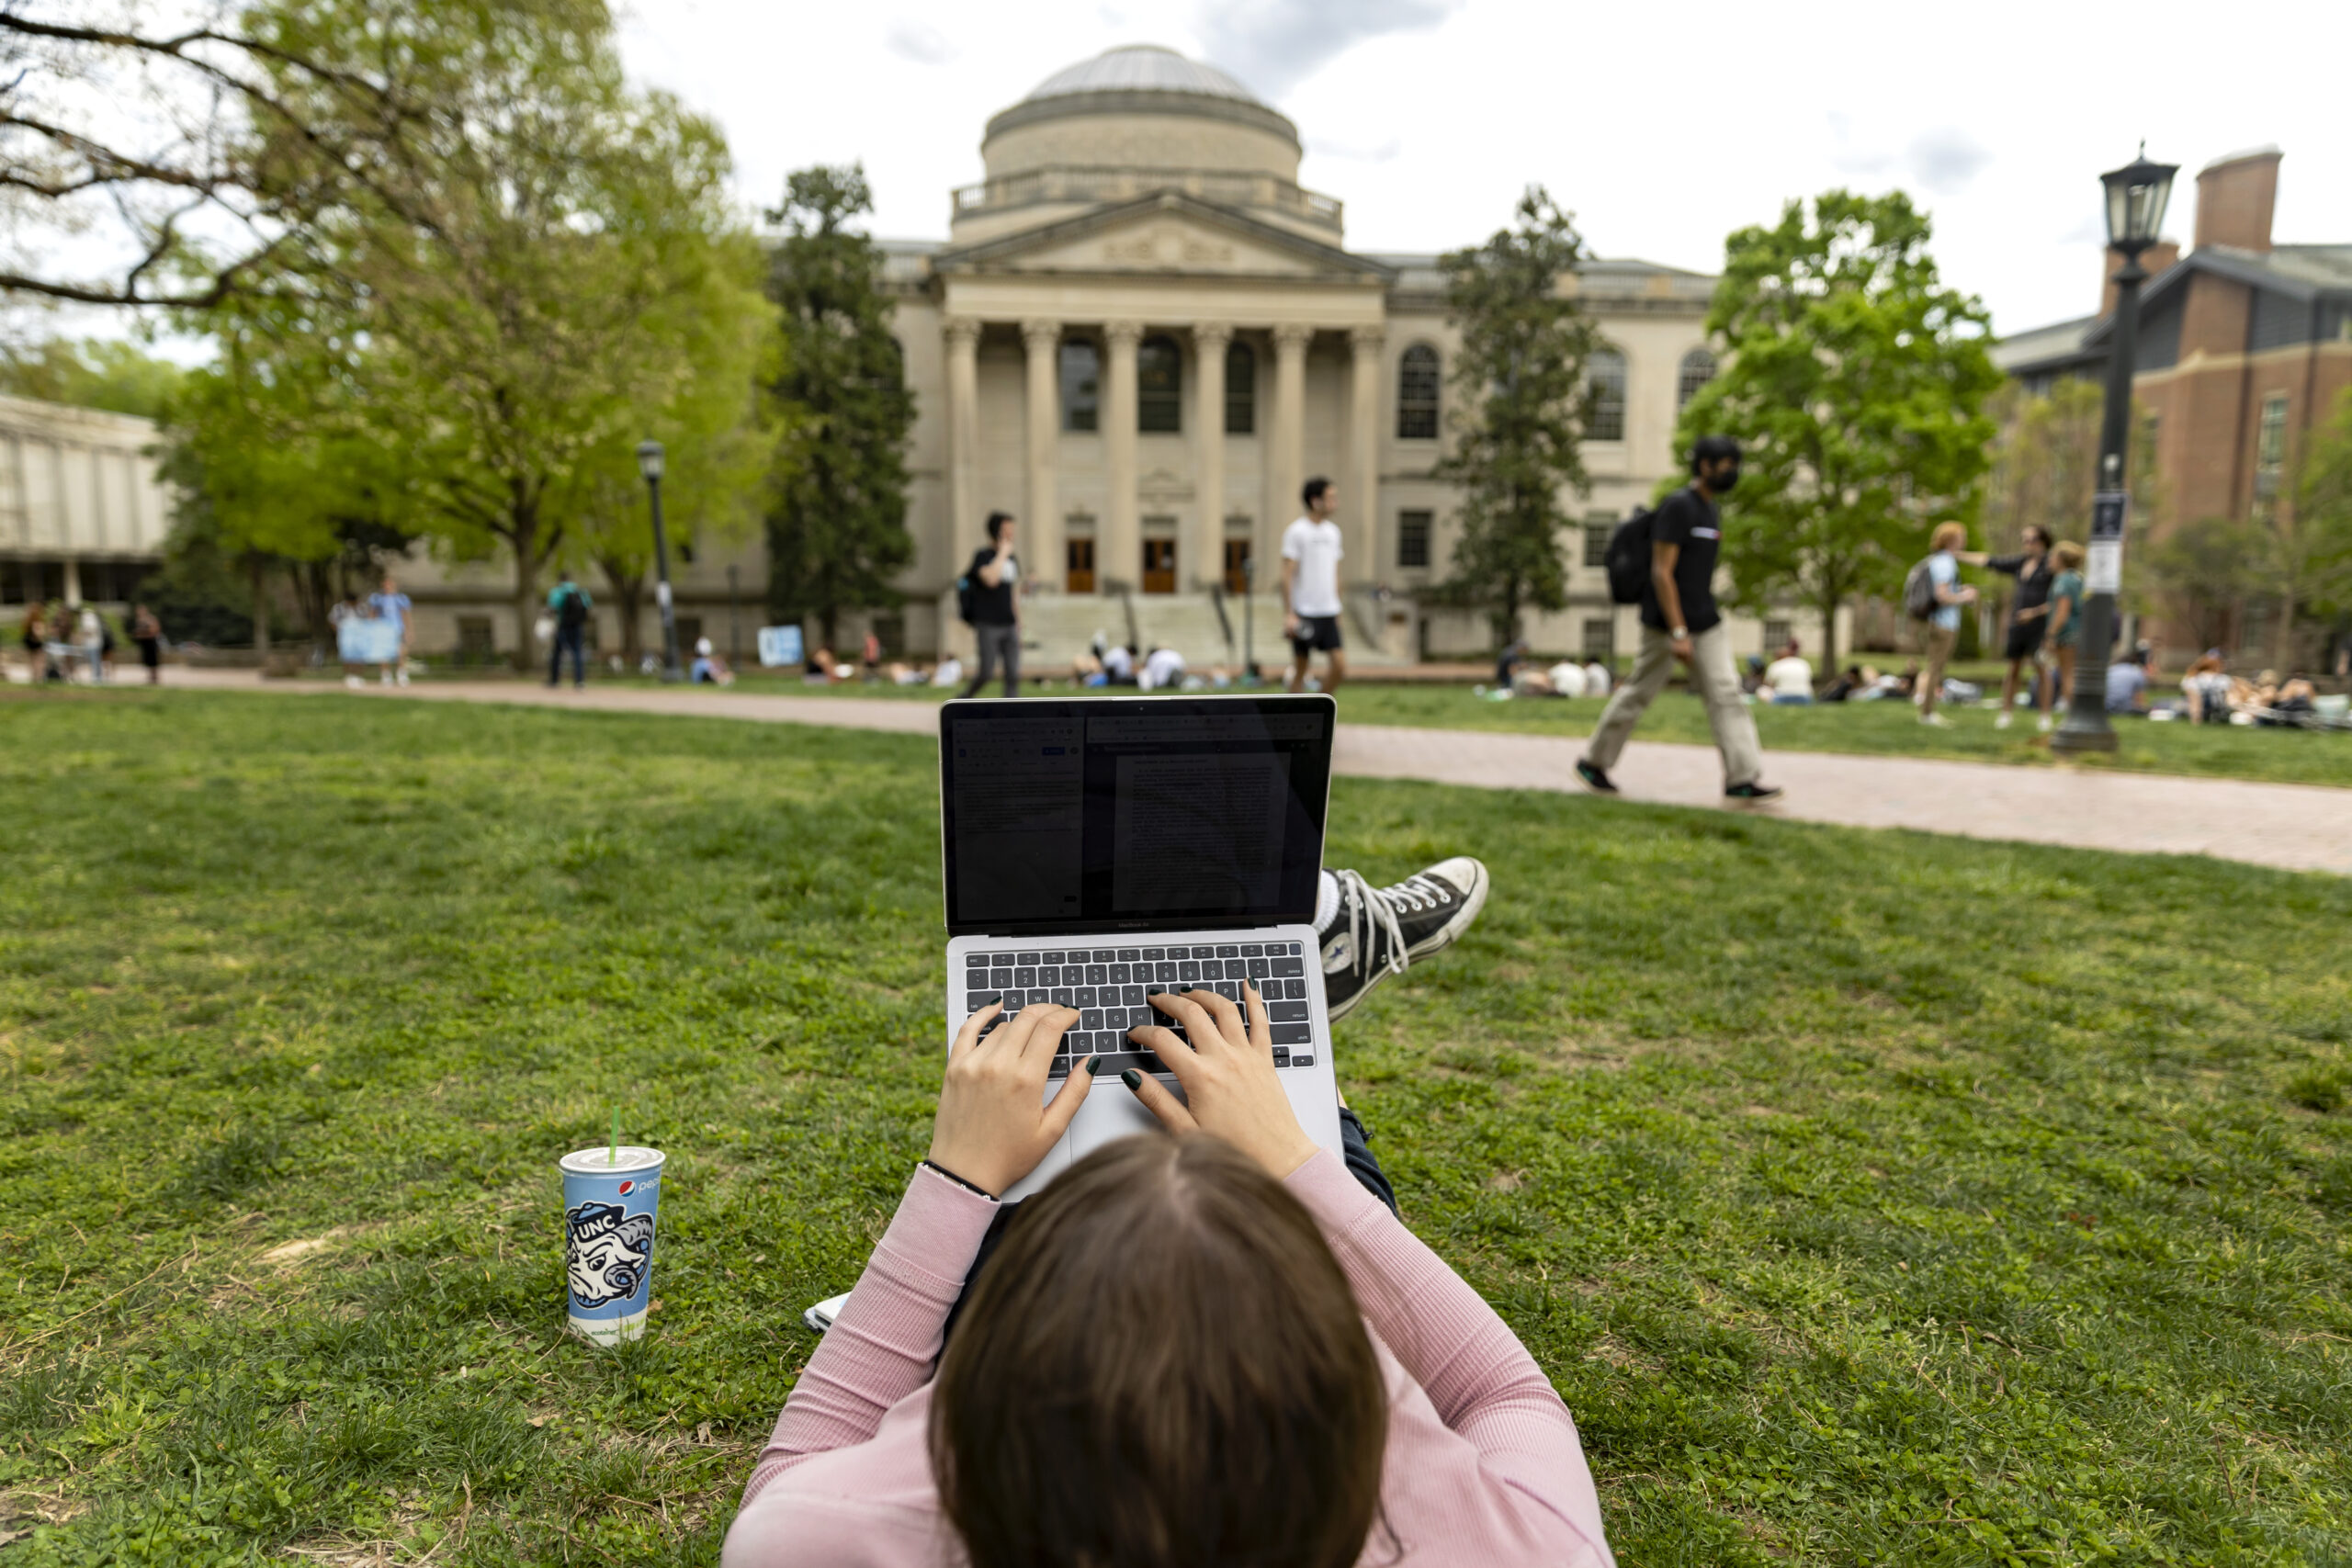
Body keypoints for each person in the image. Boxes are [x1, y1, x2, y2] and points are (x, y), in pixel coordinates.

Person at [725, 845, 1613, 1568]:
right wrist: (1294, 1157)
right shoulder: (1523, 1549)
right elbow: (1500, 1390)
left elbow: (796, 1475)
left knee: (1112, 1162)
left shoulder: (834, 1539)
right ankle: (1297, 1005)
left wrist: (957, 1177)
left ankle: (1236, 1016)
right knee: (1268, 1117)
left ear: (983, 1391)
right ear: (1356, 1397)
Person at [1577, 436, 1780, 800]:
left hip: (1706, 620)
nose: (1733, 472)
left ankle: (1741, 779)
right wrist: (1678, 631)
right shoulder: (1678, 507)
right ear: (1705, 465)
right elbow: (1661, 573)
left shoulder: (1710, 510)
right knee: (1639, 692)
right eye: (1727, 464)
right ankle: (1593, 762)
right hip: (1666, 624)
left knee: (1727, 695)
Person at [1974, 525, 2053, 729]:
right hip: (2017, 625)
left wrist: (2034, 613)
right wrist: (1954, 553)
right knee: (2013, 669)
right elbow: (1989, 561)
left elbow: (2060, 601)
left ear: (2042, 541)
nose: (2026, 543)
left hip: (2039, 627)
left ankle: (2045, 716)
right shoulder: (2021, 563)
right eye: (2023, 539)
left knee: (2041, 669)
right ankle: (2006, 713)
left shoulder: (2051, 565)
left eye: (2030, 539)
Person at [1283, 478, 1347, 695]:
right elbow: (1287, 575)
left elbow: (1336, 573)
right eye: (1330, 497)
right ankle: (1291, 718)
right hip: (1305, 611)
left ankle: (1320, 708)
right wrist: (1289, 614)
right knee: (1301, 669)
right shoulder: (1297, 531)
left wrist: (1339, 608)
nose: (1335, 502)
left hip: (1329, 610)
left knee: (1340, 666)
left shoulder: (1334, 532)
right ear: (1315, 500)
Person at [1916, 523, 1976, 727]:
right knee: (1935, 668)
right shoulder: (1945, 562)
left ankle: (1927, 710)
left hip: (1936, 621)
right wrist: (1965, 596)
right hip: (1943, 623)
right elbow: (1941, 596)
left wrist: (1959, 589)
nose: (1964, 541)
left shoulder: (1938, 561)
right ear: (1951, 540)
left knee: (1934, 666)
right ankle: (1927, 713)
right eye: (1961, 537)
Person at [960, 512, 1021, 700]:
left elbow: (1012, 593)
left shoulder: (1013, 559)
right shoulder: (982, 556)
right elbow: (991, 580)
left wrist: (1018, 623)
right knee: (987, 672)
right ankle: (963, 700)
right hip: (988, 623)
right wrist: (1002, 554)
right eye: (1006, 530)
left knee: (1013, 674)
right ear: (996, 532)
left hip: (1008, 623)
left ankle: (1010, 712)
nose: (1011, 534)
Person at [2043, 541, 2085, 727]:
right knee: (2071, 673)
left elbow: (2062, 611)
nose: (2049, 560)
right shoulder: (2077, 578)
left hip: (2067, 633)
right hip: (2078, 630)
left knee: (2067, 674)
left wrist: (2051, 634)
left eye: (2053, 556)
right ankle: (2075, 714)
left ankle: (2074, 717)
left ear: (2061, 559)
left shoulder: (2063, 580)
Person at [546, 570, 593, 688]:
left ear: (560, 580)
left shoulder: (557, 592)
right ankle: (579, 681)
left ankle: (554, 680)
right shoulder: (580, 591)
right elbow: (588, 606)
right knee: (577, 652)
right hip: (577, 625)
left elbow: (552, 609)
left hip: (563, 624)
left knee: (557, 652)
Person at [368, 572, 413, 687]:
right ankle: (386, 675)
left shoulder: (400, 599)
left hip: (397, 628)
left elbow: (405, 615)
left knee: (400, 652)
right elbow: (373, 613)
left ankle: (401, 674)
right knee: (383, 653)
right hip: (383, 628)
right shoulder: (377, 598)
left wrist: (409, 631)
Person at [1761, 638, 1814, 704]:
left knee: (1762, 690)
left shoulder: (1775, 665)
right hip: (1804, 697)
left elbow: (1769, 684)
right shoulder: (1803, 663)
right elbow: (1809, 680)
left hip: (1782, 697)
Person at [2105, 645, 2153, 716]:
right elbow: (2140, 702)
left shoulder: (2111, 669)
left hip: (2104, 706)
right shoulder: (2137, 672)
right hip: (2122, 708)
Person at [130, 603, 163, 685]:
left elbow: (154, 630)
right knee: (147, 660)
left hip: (151, 641)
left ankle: (155, 677)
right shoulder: (139, 620)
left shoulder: (151, 619)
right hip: (144, 642)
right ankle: (150, 677)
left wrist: (143, 632)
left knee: (153, 660)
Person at [19, 600, 48, 684]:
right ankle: (38, 678)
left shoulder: (27, 621)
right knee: (39, 662)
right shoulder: (37, 621)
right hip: (36, 643)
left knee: (32, 661)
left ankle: (33, 677)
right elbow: (39, 634)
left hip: (29, 643)